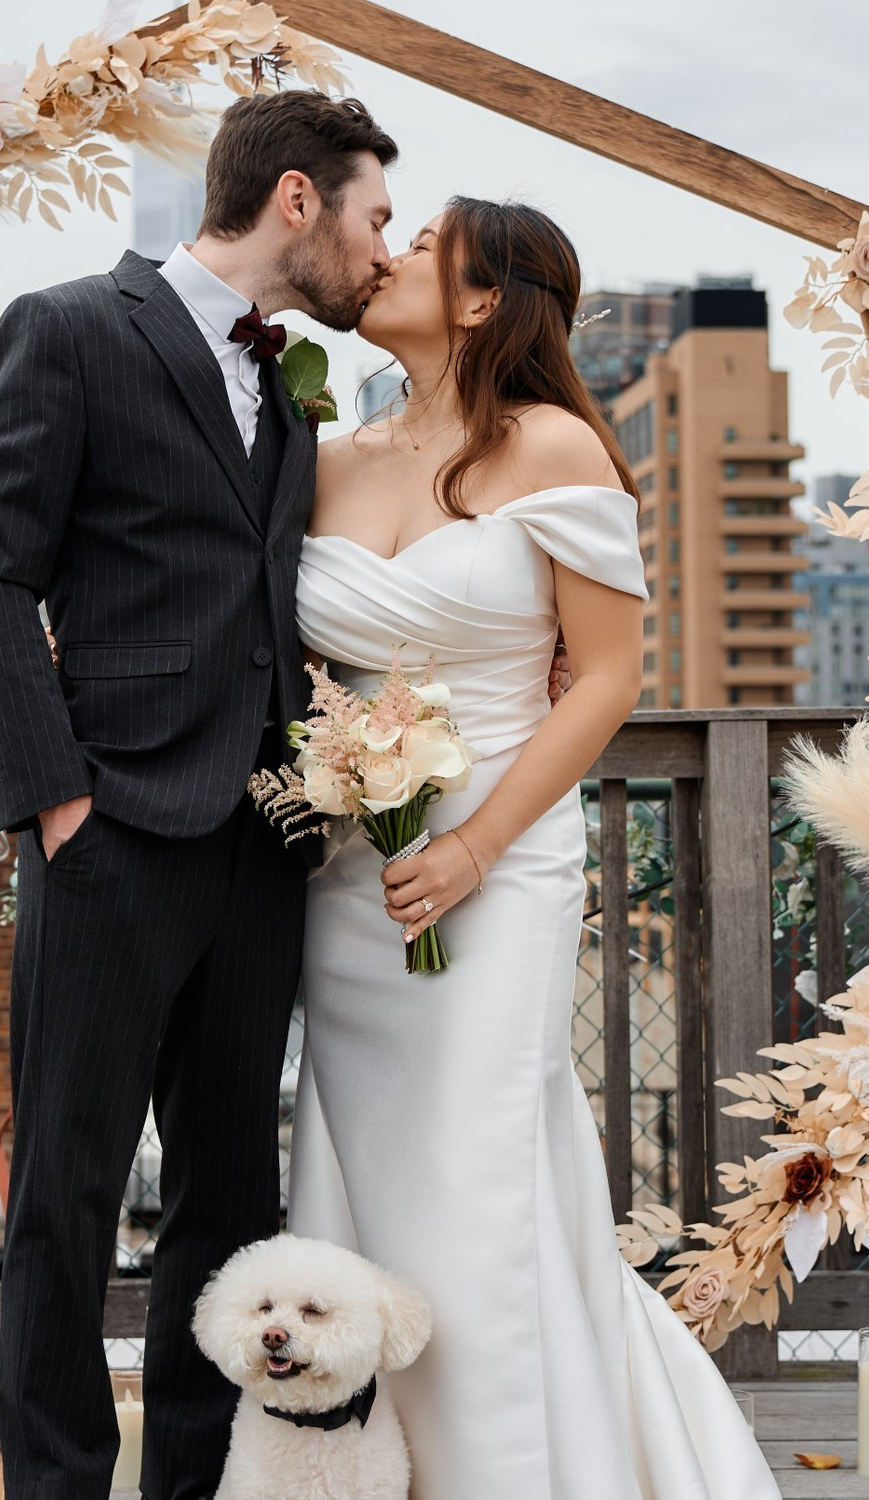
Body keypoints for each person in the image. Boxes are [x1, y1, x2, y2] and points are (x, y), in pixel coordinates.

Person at [287, 197, 781, 1499]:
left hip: (497, 866)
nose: (380, 252)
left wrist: (472, 851)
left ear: (481, 300)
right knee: (358, 1172)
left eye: (418, 242)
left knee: (475, 1168)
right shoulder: (328, 454)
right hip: (351, 874)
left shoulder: (556, 447)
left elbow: (607, 681)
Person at [0, 88, 397, 1500]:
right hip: (114, 834)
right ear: (298, 202)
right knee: (66, 1199)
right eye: (373, 216)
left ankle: (198, 1485)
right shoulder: (71, 328)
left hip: (264, 843)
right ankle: (62, 1486)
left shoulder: (297, 384)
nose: (379, 255)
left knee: (231, 1205)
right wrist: (57, 806)